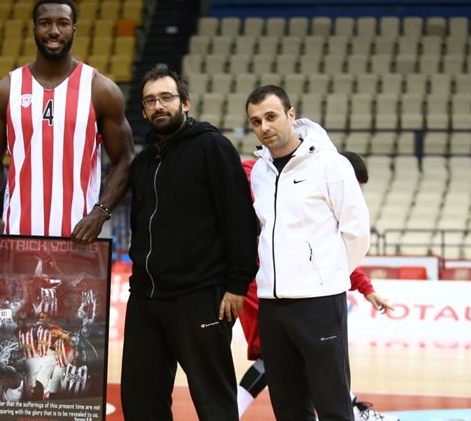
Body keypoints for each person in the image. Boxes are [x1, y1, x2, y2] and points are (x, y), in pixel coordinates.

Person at [120, 65, 258, 420]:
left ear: (185, 103)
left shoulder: (212, 146)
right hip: (146, 297)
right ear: (143, 110)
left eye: (166, 97)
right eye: (150, 101)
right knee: (140, 401)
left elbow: (240, 220)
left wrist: (237, 285)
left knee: (214, 404)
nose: (158, 106)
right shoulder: (144, 161)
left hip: (199, 296)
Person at [237, 153, 399, 421]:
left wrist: (366, 288)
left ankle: (353, 408)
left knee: (294, 354)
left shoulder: (314, 195)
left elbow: (333, 252)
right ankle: (353, 409)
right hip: (262, 280)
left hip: (274, 280)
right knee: (288, 354)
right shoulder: (263, 174)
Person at [246, 85, 371, 421]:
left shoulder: (331, 164)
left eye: (271, 116)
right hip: (272, 306)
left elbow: (357, 232)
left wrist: (326, 276)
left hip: (319, 303)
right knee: (288, 408)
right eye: (256, 121)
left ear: (291, 114)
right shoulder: (260, 172)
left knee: (333, 406)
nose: (264, 126)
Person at [0, 0, 134, 244]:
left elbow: (124, 159)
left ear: (74, 29)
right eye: (45, 23)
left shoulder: (100, 90)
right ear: (34, 28)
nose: (53, 31)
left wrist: (100, 213)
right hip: (17, 232)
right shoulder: (5, 90)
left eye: (62, 23)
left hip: (80, 236)